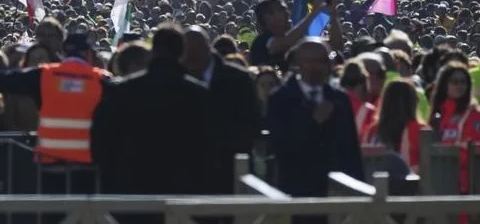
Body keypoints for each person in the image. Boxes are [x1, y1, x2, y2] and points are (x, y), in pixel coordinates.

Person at [92, 31, 211, 224]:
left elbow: (99, 142)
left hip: (129, 194)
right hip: (183, 194)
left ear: (153, 51)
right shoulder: (199, 95)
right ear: (181, 53)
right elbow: (209, 147)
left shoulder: (121, 92)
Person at [0, 31, 109, 197]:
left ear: (64, 53)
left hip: (50, 168)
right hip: (88, 170)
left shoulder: (44, 75)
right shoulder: (102, 80)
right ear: (88, 54)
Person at [267, 38, 364, 199]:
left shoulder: (339, 98)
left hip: (336, 190)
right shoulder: (280, 98)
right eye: (310, 61)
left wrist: (358, 188)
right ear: (298, 63)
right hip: (295, 189)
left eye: (322, 61)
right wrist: (312, 123)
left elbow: (350, 148)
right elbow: (279, 145)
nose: (316, 67)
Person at [181, 26, 261, 195]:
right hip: (187, 174)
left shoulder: (238, 79)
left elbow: (251, 123)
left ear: (207, 48)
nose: (191, 59)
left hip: (229, 170)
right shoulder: (178, 78)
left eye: (195, 53)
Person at [429, 62, 480, 193]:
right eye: (454, 82)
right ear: (445, 85)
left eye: (463, 82)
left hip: (464, 183)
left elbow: (475, 151)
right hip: (437, 180)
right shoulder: (438, 112)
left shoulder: (474, 113)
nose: (460, 86)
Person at [362, 79, 426, 173]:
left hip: (374, 184)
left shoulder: (371, 131)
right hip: (412, 184)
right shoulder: (421, 130)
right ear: (413, 101)